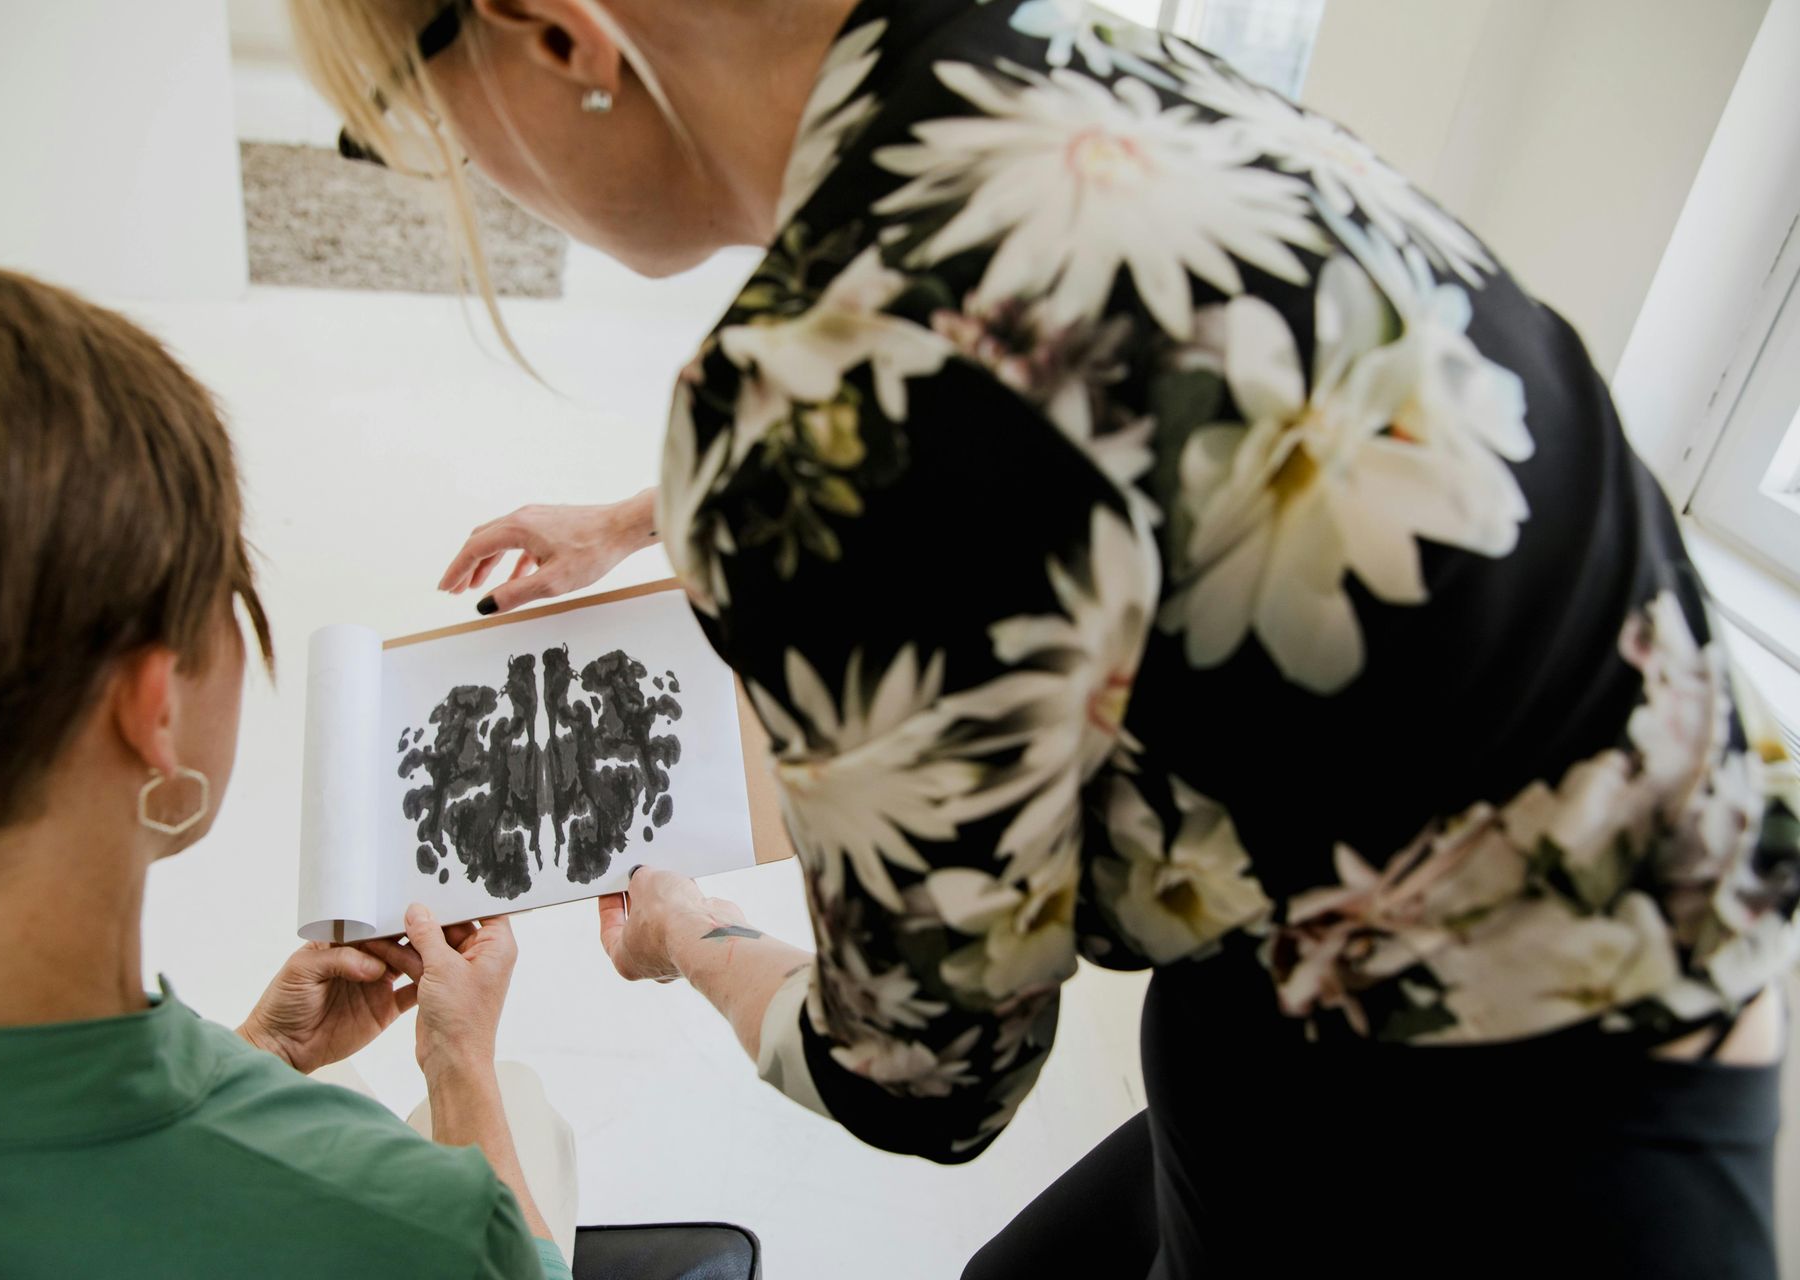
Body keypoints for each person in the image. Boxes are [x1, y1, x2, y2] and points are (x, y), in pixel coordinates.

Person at [293, 1, 1800, 1274]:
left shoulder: (808, 391)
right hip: (1545, 932)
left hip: (1484, 1148)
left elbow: (920, 1083)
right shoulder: (1050, 47)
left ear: (555, 35)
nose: (472, 180)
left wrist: (686, 931)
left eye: (419, 126)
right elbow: (1060, 402)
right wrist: (637, 521)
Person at [0, 257, 576, 1279]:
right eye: (231, 591)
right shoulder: (414, 1225)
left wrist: (254, 1052)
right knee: (523, 1104)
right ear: (151, 705)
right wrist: (457, 1066)